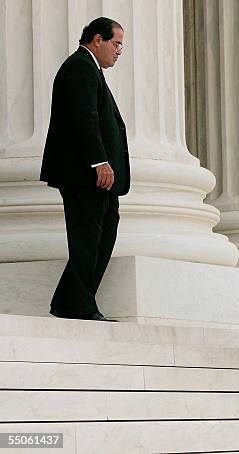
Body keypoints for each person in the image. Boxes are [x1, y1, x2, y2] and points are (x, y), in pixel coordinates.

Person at [40, 17, 130, 322]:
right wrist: (99, 161)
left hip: (95, 179)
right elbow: (84, 119)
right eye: (116, 43)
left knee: (102, 236)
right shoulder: (79, 67)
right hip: (84, 175)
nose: (119, 51)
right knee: (87, 241)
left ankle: (70, 301)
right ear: (97, 40)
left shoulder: (90, 69)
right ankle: (78, 306)